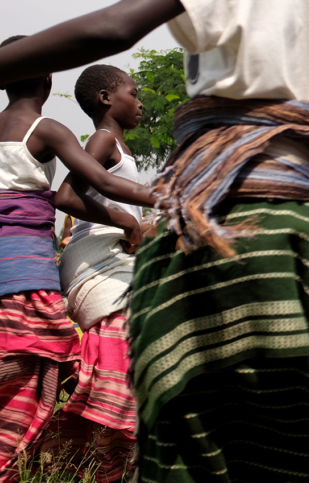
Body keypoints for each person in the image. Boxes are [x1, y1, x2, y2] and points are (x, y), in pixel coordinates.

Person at [0, 1, 309, 479]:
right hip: (305, 220)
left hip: (226, 212)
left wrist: (243, 128)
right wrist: (293, 125)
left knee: (196, 391)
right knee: (293, 387)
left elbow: (113, 26)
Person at [0, 35, 155, 477]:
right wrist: (156, 202)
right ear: (50, 77)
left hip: (35, 264)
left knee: (61, 363)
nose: (140, 102)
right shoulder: (56, 130)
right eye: (134, 92)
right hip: (60, 265)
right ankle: (88, 452)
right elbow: (78, 191)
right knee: (82, 359)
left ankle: (86, 453)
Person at [43, 64, 148, 482]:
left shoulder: (118, 144)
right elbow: (66, 196)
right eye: (133, 93)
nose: (140, 102)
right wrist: (125, 219)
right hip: (98, 258)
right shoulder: (104, 139)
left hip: (115, 258)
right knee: (120, 350)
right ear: (106, 98)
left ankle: (99, 452)